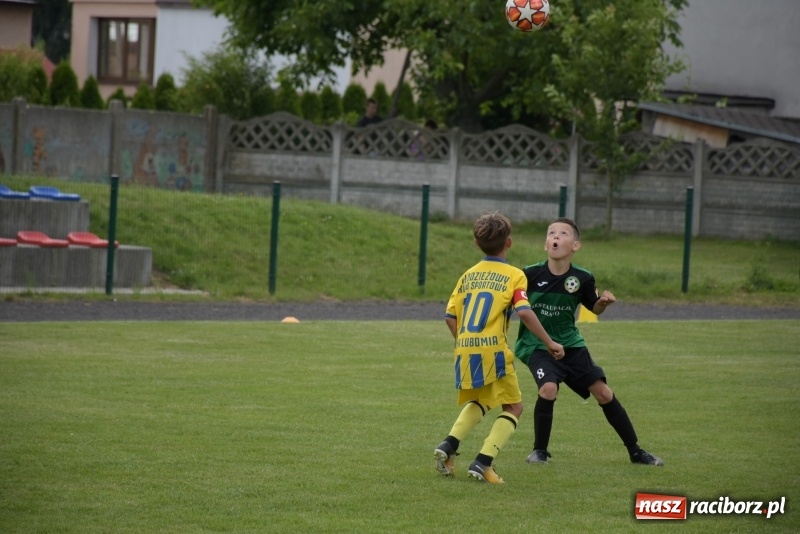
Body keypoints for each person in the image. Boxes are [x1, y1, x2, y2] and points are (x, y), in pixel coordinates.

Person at [515, 217, 664, 467]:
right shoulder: (529, 274)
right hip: (537, 346)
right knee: (548, 388)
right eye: (552, 233)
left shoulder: (582, 278)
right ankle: (539, 451)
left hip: (571, 345)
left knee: (604, 393)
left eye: (563, 233)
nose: (556, 237)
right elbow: (515, 306)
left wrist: (602, 303)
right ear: (545, 244)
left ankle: (636, 452)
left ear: (575, 246)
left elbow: (592, 308)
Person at [434, 212, 565, 484]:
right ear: (509, 242)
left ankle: (448, 446)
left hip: (465, 348)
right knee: (514, 407)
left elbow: (449, 316)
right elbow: (525, 312)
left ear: (476, 244)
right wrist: (550, 342)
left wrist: (465, 341)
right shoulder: (515, 275)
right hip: (494, 351)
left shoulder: (467, 276)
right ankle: (483, 462)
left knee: (481, 400)